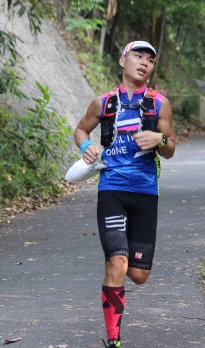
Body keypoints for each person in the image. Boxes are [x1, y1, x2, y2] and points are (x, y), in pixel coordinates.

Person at [73, 40, 176, 348]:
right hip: (112, 190)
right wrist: (86, 146)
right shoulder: (103, 102)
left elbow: (170, 148)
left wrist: (159, 139)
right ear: (123, 60)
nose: (144, 62)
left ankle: (120, 265)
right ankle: (114, 340)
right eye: (138, 56)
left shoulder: (159, 104)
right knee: (117, 262)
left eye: (149, 60)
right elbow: (81, 129)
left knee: (139, 275)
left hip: (145, 193)